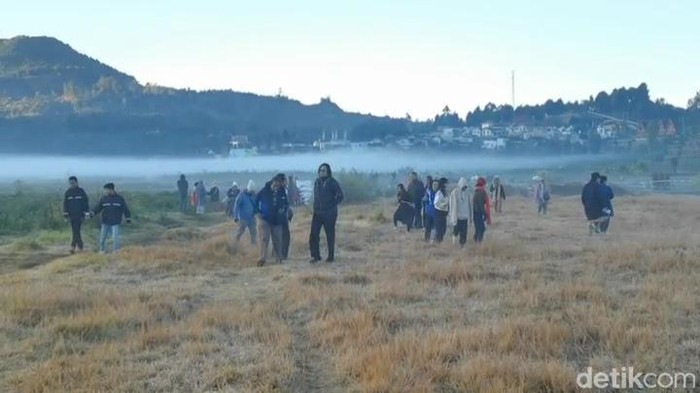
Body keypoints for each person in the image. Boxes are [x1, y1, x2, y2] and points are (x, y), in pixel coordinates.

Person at [309, 163, 344, 263]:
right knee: (314, 234)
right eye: (320, 170)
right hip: (317, 212)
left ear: (328, 171)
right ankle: (315, 256)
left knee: (330, 235)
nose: (321, 172)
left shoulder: (332, 182)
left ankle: (331, 256)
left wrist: (331, 205)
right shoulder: (317, 182)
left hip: (329, 214)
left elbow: (340, 195)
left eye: (324, 170)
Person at [255, 174, 289, 266]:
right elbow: (256, 201)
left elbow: (286, 204)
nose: (276, 187)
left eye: (278, 186)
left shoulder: (282, 192)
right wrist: (257, 212)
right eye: (274, 185)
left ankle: (279, 258)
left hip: (277, 220)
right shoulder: (264, 191)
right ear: (272, 183)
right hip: (264, 219)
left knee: (278, 240)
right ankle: (262, 258)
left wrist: (284, 210)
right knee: (264, 238)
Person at [93, 183, 131, 254]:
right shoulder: (104, 199)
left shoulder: (119, 199)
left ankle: (116, 251)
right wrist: (92, 213)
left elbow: (125, 209)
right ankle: (102, 250)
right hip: (105, 221)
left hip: (115, 221)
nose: (105, 192)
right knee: (102, 238)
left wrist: (128, 218)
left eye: (106, 190)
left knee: (115, 238)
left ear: (111, 189)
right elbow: (98, 208)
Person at [63, 176, 90, 254]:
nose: (72, 184)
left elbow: (85, 203)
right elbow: (65, 204)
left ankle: (74, 247)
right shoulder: (68, 192)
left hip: (80, 215)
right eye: (70, 183)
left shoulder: (81, 192)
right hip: (71, 215)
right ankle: (78, 247)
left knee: (76, 230)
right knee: (75, 231)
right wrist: (65, 215)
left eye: (73, 183)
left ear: (76, 182)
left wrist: (86, 213)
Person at [448, 177, 472, 248]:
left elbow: (470, 205)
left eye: (465, 186)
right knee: (455, 232)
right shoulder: (454, 192)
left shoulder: (468, 193)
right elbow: (452, 205)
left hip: (465, 217)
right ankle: (454, 244)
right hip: (457, 216)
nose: (464, 188)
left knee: (464, 233)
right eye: (463, 186)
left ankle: (462, 245)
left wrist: (470, 217)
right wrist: (452, 216)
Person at [233, 180, 257, 245]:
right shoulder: (241, 195)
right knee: (240, 232)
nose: (252, 192)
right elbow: (236, 206)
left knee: (254, 233)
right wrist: (235, 216)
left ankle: (253, 246)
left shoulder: (254, 196)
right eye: (251, 191)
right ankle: (235, 243)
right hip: (243, 218)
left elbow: (256, 205)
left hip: (252, 217)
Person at [472, 177, 492, 243]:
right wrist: (488, 218)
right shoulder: (483, 193)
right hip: (480, 213)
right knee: (482, 229)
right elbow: (487, 206)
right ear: (483, 184)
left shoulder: (475, 193)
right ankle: (478, 243)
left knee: (477, 229)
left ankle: (475, 242)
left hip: (474, 214)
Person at [281, 176, 294, 260]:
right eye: (286, 181)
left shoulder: (285, 190)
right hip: (279, 218)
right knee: (281, 237)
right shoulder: (279, 191)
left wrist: (289, 212)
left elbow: (287, 203)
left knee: (284, 237)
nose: (287, 183)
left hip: (284, 217)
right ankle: (281, 255)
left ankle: (283, 255)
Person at [433, 177, 449, 243]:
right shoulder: (439, 193)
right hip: (439, 213)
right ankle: (436, 243)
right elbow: (436, 203)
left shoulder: (444, 192)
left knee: (443, 230)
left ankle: (439, 242)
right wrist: (445, 203)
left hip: (443, 214)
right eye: (446, 184)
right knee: (439, 230)